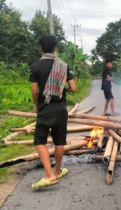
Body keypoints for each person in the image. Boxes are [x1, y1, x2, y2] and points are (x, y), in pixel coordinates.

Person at [29, 35, 76, 189]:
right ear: (55, 47)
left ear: (40, 48)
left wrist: (37, 105)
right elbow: (73, 88)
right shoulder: (63, 65)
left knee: (39, 141)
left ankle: (49, 175)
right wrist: (62, 89)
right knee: (59, 142)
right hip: (61, 109)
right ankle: (57, 171)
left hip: (45, 109)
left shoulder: (36, 67)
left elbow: (35, 91)